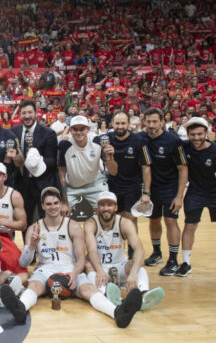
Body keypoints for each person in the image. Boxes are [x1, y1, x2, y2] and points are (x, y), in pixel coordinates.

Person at [0, 187, 143, 328]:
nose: (53, 207)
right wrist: (32, 246)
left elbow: (81, 258)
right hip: (45, 270)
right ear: (42, 206)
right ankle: (20, 309)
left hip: (70, 269)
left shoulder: (72, 226)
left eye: (56, 203)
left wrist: (74, 273)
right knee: (34, 286)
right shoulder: (34, 228)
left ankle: (117, 313)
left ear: (61, 204)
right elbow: (24, 262)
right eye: (48, 204)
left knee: (88, 289)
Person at [178, 117, 216, 277]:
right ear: (188, 134)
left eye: (200, 134)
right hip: (195, 191)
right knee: (190, 226)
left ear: (206, 133)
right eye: (193, 134)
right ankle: (186, 263)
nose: (196, 138)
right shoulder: (185, 147)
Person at [84, 191, 165, 310]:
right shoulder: (91, 223)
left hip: (120, 266)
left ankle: (143, 295)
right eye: (102, 205)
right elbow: (91, 251)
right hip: (100, 268)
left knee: (138, 263)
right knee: (88, 265)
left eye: (109, 205)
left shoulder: (125, 223)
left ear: (116, 207)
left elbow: (139, 249)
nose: (106, 208)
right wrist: (100, 270)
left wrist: (132, 273)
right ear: (98, 208)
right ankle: (107, 294)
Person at [140, 108, 187, 276]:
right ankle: (157, 252)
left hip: (169, 187)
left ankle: (173, 259)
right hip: (149, 189)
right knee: (153, 221)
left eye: (154, 121)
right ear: (144, 121)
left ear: (162, 122)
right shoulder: (140, 138)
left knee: (170, 221)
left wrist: (179, 195)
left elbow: (183, 168)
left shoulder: (173, 141)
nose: (151, 125)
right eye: (148, 121)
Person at [103, 111, 152, 245]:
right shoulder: (104, 140)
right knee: (113, 221)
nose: (120, 126)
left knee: (130, 220)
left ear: (129, 124)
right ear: (112, 124)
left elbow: (146, 168)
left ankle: (132, 253)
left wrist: (146, 192)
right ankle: (116, 252)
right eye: (117, 123)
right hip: (111, 186)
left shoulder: (139, 141)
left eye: (123, 123)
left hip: (132, 186)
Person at [10, 100, 60, 227]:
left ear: (36, 113)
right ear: (19, 115)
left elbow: (52, 161)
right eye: (24, 113)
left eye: (30, 112)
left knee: (46, 221)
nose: (27, 116)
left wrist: (36, 160)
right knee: (24, 222)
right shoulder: (14, 131)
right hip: (22, 184)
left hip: (43, 183)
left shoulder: (48, 133)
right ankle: (28, 246)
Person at [0, 162, 29, 286]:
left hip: (4, 237)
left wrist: (1, 222)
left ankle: (3, 281)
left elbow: (23, 225)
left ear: (5, 177)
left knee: (20, 271)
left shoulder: (14, 196)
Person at [57, 116, 110, 212]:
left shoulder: (97, 141)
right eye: (75, 129)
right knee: (63, 214)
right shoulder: (65, 145)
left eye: (82, 129)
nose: (78, 132)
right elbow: (62, 174)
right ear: (70, 130)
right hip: (72, 186)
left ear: (88, 129)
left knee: (104, 213)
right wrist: (65, 202)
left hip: (94, 183)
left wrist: (109, 157)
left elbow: (112, 170)